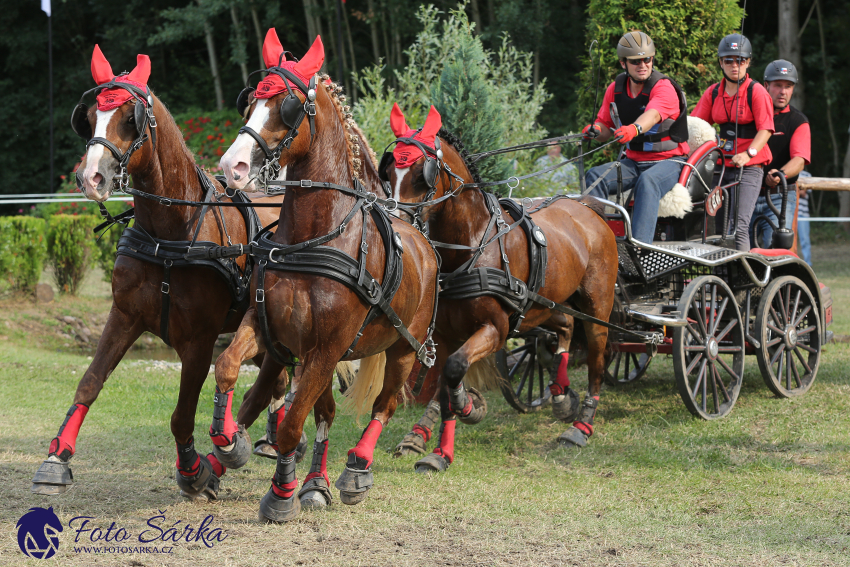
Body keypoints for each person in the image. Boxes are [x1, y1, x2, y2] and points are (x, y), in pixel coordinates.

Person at [583, 31, 690, 243]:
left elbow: (652, 115)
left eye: (647, 59)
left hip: (669, 162)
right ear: (624, 63)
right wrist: (595, 131)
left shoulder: (664, 88)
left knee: (647, 181)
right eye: (635, 61)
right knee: (595, 176)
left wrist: (634, 129)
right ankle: (597, 243)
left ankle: (640, 249)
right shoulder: (615, 89)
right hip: (633, 161)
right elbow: (605, 127)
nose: (643, 65)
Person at [691, 33, 774, 251]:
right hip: (721, 166)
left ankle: (743, 282)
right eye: (729, 60)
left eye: (741, 60)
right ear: (721, 62)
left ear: (748, 62)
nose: (735, 65)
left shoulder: (757, 92)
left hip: (750, 167)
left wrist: (749, 154)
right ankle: (720, 280)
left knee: (738, 226)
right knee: (718, 228)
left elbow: (766, 130)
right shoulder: (713, 92)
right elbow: (696, 125)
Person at [749, 60, 810, 249]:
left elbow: (799, 160)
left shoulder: (798, 121)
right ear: (766, 85)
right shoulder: (749, 115)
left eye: (788, 86)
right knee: (740, 249)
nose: (783, 92)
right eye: (778, 85)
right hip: (746, 193)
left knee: (774, 249)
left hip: (779, 195)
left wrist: (779, 175)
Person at [796, 170, 813, 265]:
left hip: (803, 214)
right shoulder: (786, 169)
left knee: (805, 240)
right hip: (788, 213)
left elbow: (803, 192)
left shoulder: (807, 174)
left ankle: (808, 264)